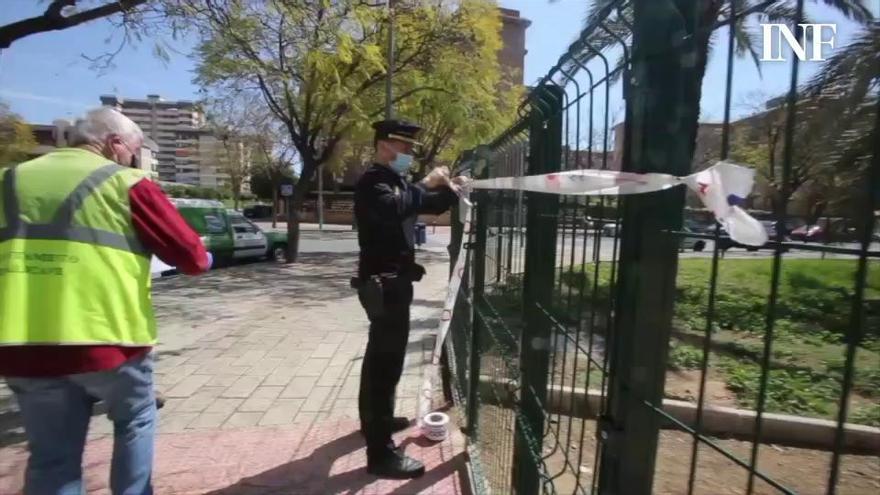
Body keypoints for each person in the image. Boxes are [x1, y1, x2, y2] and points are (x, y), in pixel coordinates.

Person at [0, 107, 211, 494]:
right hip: (109, 339)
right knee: (136, 418)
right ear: (114, 143)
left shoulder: (7, 181)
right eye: (132, 150)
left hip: (20, 343)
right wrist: (205, 256)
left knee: (52, 459)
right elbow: (193, 258)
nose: (132, 157)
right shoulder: (126, 183)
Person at [354, 119, 467, 479]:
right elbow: (395, 207)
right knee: (384, 366)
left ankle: (377, 422)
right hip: (384, 286)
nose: (409, 154)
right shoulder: (374, 180)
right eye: (404, 148)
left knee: (381, 361)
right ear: (385, 145)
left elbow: (422, 205)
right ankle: (380, 453)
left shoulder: (394, 181)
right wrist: (427, 182)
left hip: (393, 284)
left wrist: (452, 190)